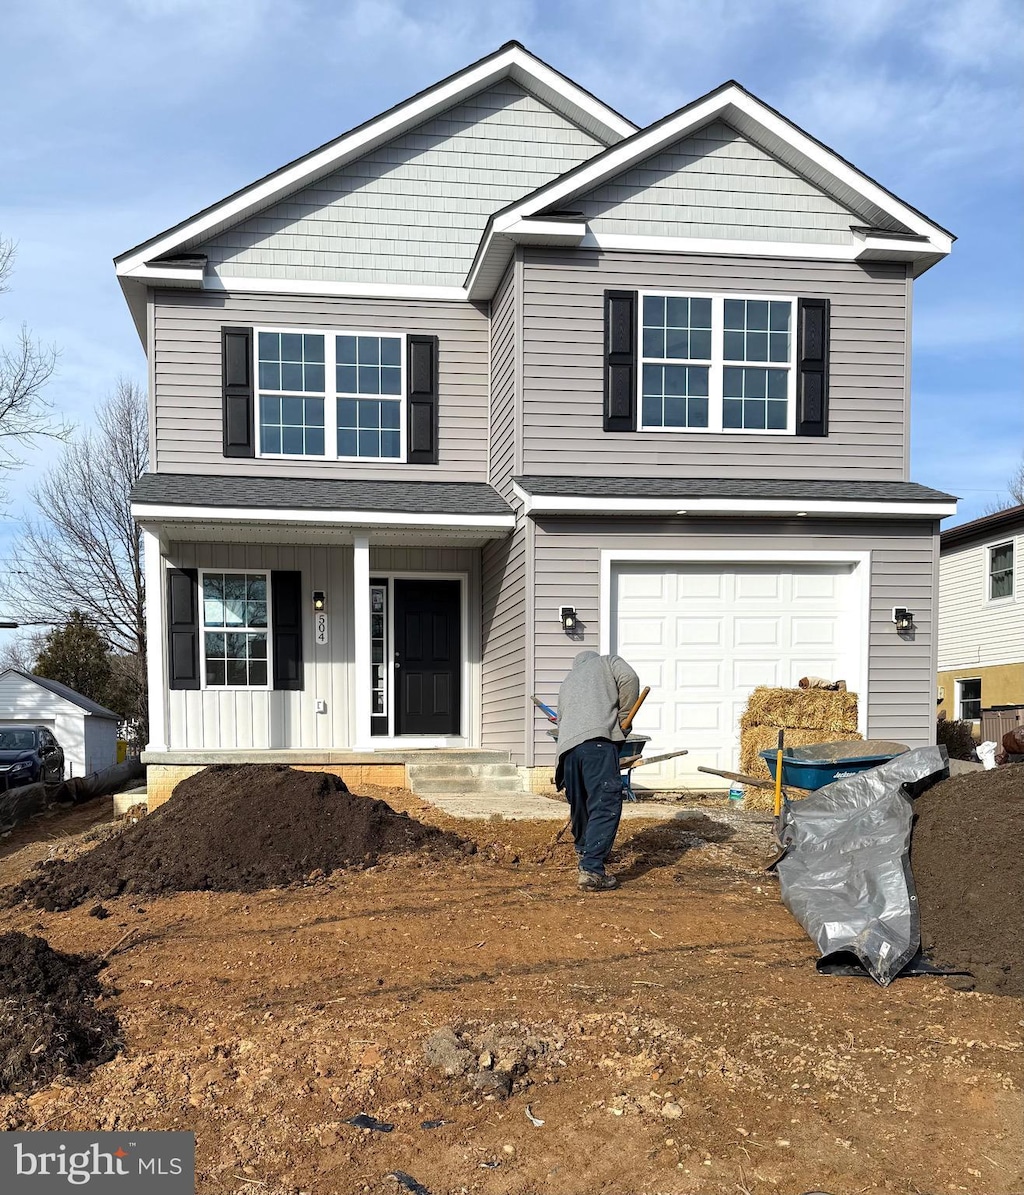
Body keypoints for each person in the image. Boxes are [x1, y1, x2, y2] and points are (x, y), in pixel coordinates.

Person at [554, 650, 640, 891]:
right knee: (604, 803)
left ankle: (585, 852)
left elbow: (561, 721)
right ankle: (592, 870)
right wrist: (624, 718)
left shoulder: (567, 683)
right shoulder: (608, 662)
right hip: (598, 744)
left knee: (580, 804)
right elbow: (630, 679)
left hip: (567, 754)